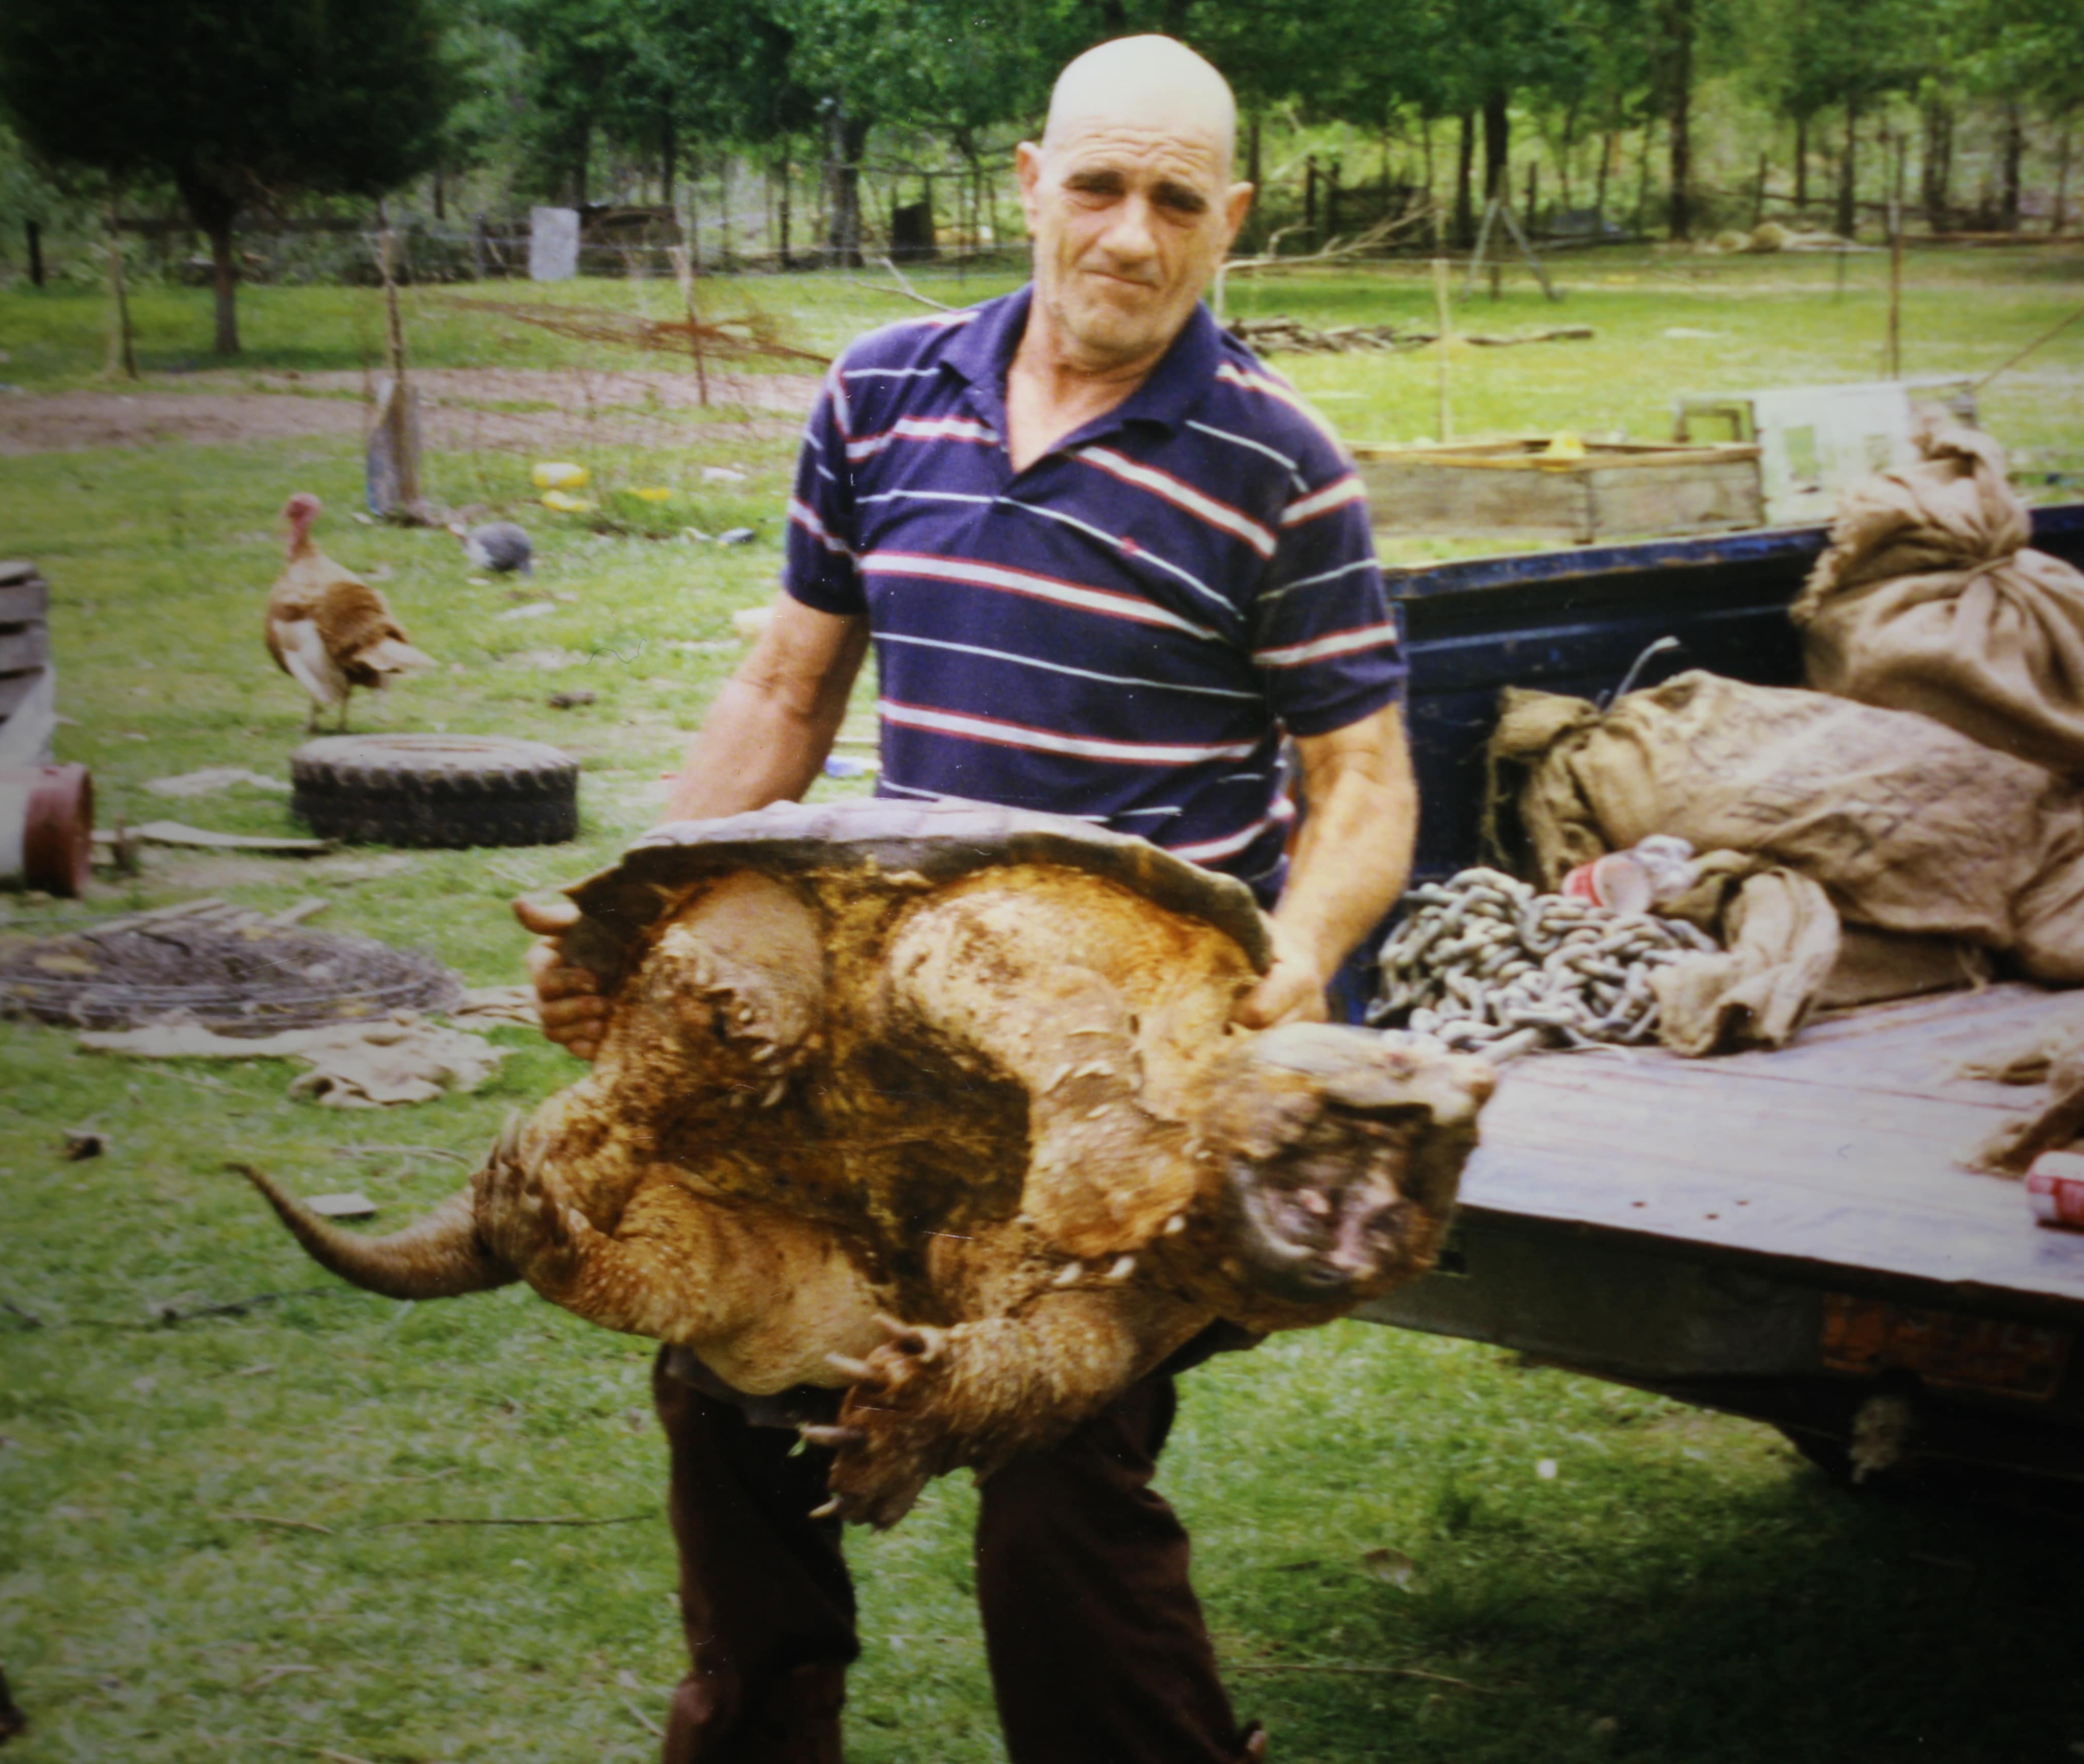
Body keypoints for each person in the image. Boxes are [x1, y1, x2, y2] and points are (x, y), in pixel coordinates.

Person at [516, 34, 1416, 1764]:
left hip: (1111, 1055)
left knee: (1054, 1439)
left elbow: (1362, 776)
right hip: (881, 1011)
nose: (1131, 236)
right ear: (1029, 185)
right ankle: (758, 1733)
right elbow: (788, 693)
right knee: (729, 1371)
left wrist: (1295, 956)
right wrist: (629, 924)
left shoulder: (1278, 467)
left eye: (1175, 201)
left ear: (1232, 221)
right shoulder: (877, 393)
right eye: (1098, 187)